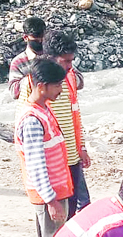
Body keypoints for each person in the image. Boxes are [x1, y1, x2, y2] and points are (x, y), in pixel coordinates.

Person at [19, 30, 90, 217]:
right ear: (51, 58)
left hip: (71, 157)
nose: (70, 66)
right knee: (58, 217)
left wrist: (81, 146)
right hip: (51, 163)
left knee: (74, 211)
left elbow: (75, 113)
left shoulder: (71, 77)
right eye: (66, 61)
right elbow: (27, 120)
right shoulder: (35, 82)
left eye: (71, 61)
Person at [14, 58, 73, 237]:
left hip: (56, 191)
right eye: (57, 85)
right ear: (41, 86)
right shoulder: (32, 120)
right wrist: (51, 200)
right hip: (50, 195)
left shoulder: (44, 110)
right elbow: (35, 165)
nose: (60, 91)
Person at [8, 17, 46, 100]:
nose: (40, 41)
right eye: (36, 39)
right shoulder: (18, 62)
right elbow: (13, 92)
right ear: (25, 37)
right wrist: (34, 77)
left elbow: (79, 83)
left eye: (42, 38)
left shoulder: (54, 57)